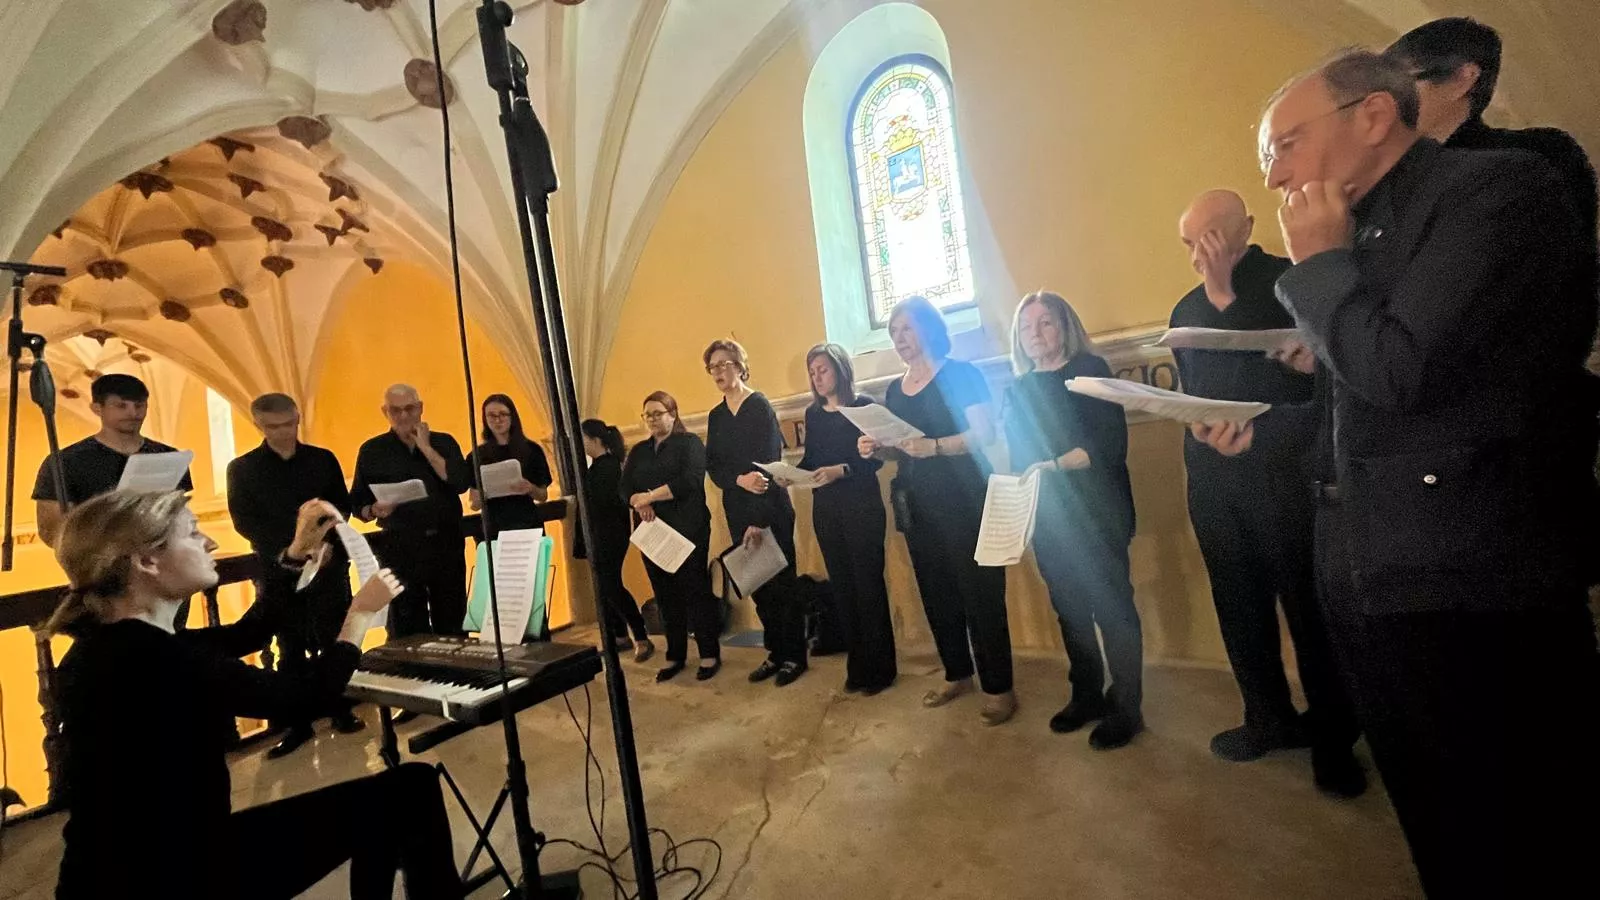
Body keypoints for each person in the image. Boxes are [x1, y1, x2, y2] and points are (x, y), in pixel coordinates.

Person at [1211, 49, 1600, 896]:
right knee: (1429, 805)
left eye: (1285, 144)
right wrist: (1266, 431)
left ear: (1374, 117)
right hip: (1364, 565)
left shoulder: (1494, 191)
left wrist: (1316, 267)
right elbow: (1362, 412)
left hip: (1468, 572)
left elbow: (1400, 372)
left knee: (1517, 814)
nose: (1273, 175)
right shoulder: (1364, 232)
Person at [49, 490, 461, 899]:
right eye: (192, 534)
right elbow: (304, 697)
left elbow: (251, 632)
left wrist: (295, 556)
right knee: (409, 792)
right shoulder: (151, 657)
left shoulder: (112, 644)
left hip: (139, 863)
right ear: (146, 561)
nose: (209, 543)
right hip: (170, 874)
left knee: (393, 799)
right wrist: (359, 616)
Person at [1169, 190, 1363, 794]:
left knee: (1309, 615)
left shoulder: (1288, 280)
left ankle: (1334, 741)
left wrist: (1225, 294)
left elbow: (1324, 389)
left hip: (1284, 478)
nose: (1199, 255)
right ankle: (1266, 718)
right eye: (1189, 244)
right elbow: (1195, 386)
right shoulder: (1183, 309)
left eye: (1210, 239)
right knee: (1238, 607)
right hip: (1214, 483)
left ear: (1244, 228)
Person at [860, 296, 1015, 726]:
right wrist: (877, 447)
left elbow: (982, 435)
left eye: (906, 329)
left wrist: (934, 447)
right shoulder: (895, 388)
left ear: (929, 327)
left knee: (980, 593)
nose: (899, 339)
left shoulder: (962, 374)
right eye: (893, 333)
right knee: (937, 591)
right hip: (918, 503)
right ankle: (957, 672)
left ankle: (999, 685)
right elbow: (900, 448)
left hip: (964, 497)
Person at [1003, 291, 1143, 749]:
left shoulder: (1092, 372)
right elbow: (1019, 457)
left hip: (1097, 510)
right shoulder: (1019, 390)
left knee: (1113, 610)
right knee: (1071, 612)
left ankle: (1127, 706)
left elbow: (1107, 446)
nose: (1036, 333)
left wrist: (1054, 465)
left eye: (1045, 323)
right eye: (1027, 327)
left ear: (1064, 327)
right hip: (1050, 517)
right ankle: (1086, 693)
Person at [226, 393, 363, 760]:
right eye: (274, 427)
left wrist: (325, 542)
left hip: (329, 565)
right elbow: (246, 521)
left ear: (297, 419)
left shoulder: (321, 459)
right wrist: (292, 549)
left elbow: (342, 506)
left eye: (290, 424)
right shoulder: (243, 469)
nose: (284, 433)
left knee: (336, 636)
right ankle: (297, 725)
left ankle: (341, 708)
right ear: (259, 426)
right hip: (280, 571)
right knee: (289, 647)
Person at [791, 343, 895, 694]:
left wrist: (844, 469)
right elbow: (812, 459)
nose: (817, 378)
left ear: (840, 369)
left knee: (868, 587)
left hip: (861, 506)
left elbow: (876, 459)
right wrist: (787, 474)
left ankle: (882, 668)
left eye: (822, 369)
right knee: (843, 589)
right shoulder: (813, 414)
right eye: (812, 372)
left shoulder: (864, 406)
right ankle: (858, 665)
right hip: (827, 510)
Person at [703, 339, 808, 687]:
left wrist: (758, 520)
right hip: (737, 507)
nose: (719, 372)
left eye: (725, 363)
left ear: (740, 365)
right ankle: (775, 652)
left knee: (781, 583)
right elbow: (714, 467)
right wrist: (738, 479)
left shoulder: (759, 405)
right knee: (758, 584)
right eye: (713, 367)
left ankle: (794, 655)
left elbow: (769, 457)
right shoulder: (716, 416)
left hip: (769, 508)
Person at [350, 384, 470, 640]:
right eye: (395, 410)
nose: (403, 416)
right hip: (399, 546)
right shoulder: (372, 451)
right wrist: (374, 509)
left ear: (420, 408)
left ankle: (456, 673)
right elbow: (357, 503)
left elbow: (459, 483)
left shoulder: (444, 442)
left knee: (452, 616)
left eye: (409, 409)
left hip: (445, 542)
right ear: (385, 412)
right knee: (406, 620)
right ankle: (414, 676)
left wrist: (426, 448)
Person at [621, 391, 721, 682]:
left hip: (687, 529)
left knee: (695, 592)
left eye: (658, 413)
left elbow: (690, 480)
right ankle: (675, 655)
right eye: (647, 414)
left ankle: (709, 654)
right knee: (665, 595)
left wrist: (650, 495)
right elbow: (624, 487)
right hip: (652, 532)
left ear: (673, 415)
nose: (652, 419)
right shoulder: (639, 451)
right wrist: (639, 503)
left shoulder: (688, 443)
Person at [33, 373, 193, 548]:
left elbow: (179, 514)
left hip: (163, 560)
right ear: (97, 408)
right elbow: (50, 530)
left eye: (139, 405)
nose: (133, 413)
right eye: (121, 406)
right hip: (96, 564)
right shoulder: (64, 462)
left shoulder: (167, 455)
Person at [578, 418, 654, 662]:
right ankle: (620, 636)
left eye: (584, 438)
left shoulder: (609, 467)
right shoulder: (596, 467)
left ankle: (641, 636)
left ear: (596, 440)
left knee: (612, 586)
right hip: (600, 533)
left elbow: (609, 504)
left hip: (609, 534)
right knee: (604, 587)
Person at [468, 393, 554, 540]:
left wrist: (530, 488)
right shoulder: (476, 455)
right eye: (491, 416)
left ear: (512, 416)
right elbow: (474, 505)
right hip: (493, 527)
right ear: (485, 419)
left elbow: (543, 496)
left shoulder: (532, 450)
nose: (497, 420)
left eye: (502, 414)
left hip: (526, 523)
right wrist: (482, 495)